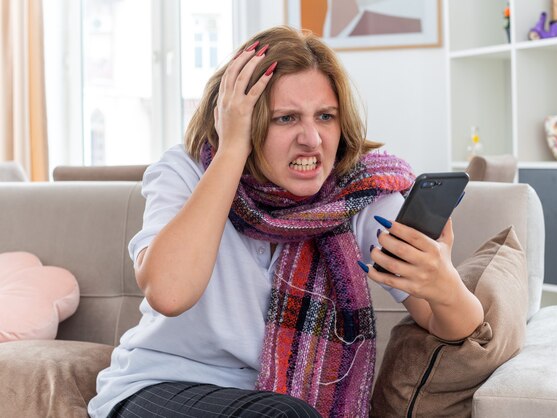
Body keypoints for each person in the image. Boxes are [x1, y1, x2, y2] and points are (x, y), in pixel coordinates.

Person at [88, 25, 484, 418]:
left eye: (325, 116)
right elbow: (169, 294)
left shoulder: (357, 195)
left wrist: (443, 285)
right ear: (241, 120)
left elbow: (452, 323)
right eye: (285, 119)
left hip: (279, 403)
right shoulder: (185, 173)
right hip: (160, 388)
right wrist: (231, 153)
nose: (311, 139)